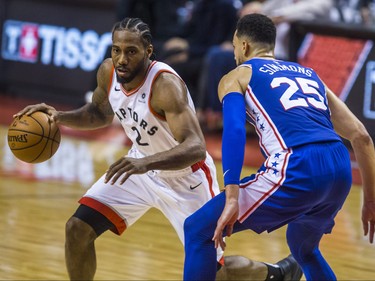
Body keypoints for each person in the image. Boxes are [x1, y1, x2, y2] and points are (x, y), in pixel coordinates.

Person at [14, 18, 302, 280]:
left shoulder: (165, 85)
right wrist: (57, 117)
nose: (122, 59)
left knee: (217, 275)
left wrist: (145, 163)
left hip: (186, 180)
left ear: (149, 51)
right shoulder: (109, 72)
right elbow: (99, 114)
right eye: (116, 50)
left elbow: (196, 148)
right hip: (140, 168)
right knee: (77, 229)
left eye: (131, 51)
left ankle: (276, 274)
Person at [183, 13, 375, 281]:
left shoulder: (237, 75)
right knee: (303, 247)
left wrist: (233, 196)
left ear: (244, 46)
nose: (235, 53)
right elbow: (361, 136)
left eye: (235, 46)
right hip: (339, 166)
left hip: (297, 165)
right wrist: (370, 201)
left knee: (198, 229)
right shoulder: (309, 74)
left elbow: (236, 130)